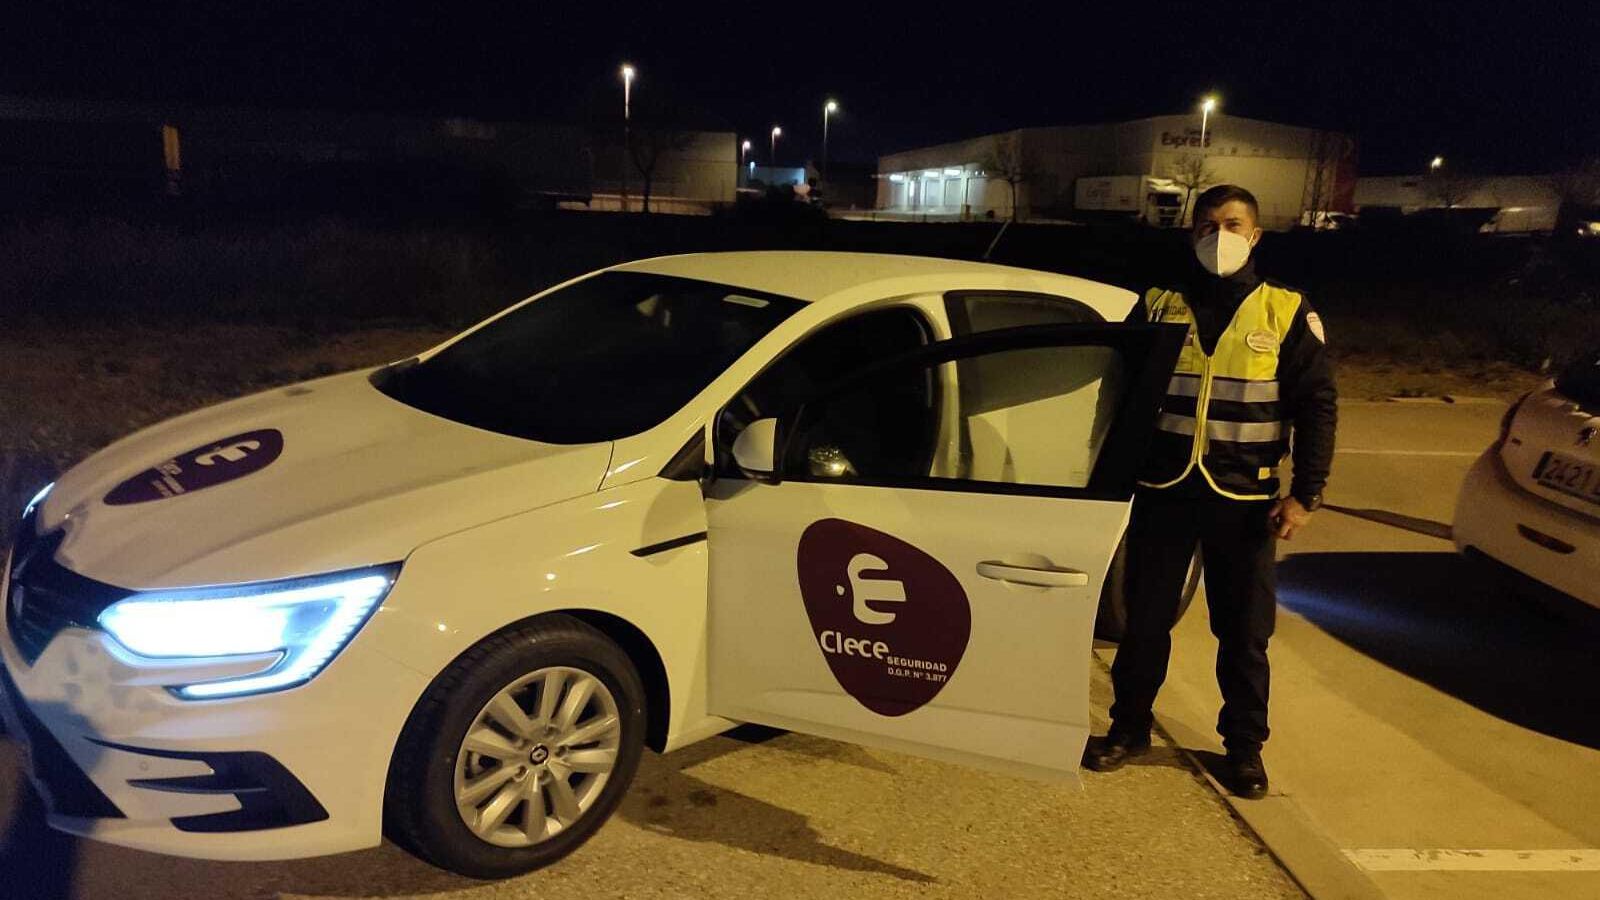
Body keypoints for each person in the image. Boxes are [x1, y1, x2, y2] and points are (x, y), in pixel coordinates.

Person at [1083, 184, 1337, 799]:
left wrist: (1305, 494)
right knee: (1144, 621)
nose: (1216, 236)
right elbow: (1116, 394)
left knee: (1244, 633)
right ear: (1190, 233)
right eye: (1205, 225)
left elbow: (1317, 406)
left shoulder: (1287, 310)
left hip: (1245, 500)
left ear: (1254, 236)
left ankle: (1244, 750)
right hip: (1164, 489)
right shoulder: (1160, 305)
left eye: (1231, 224)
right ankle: (1128, 729)